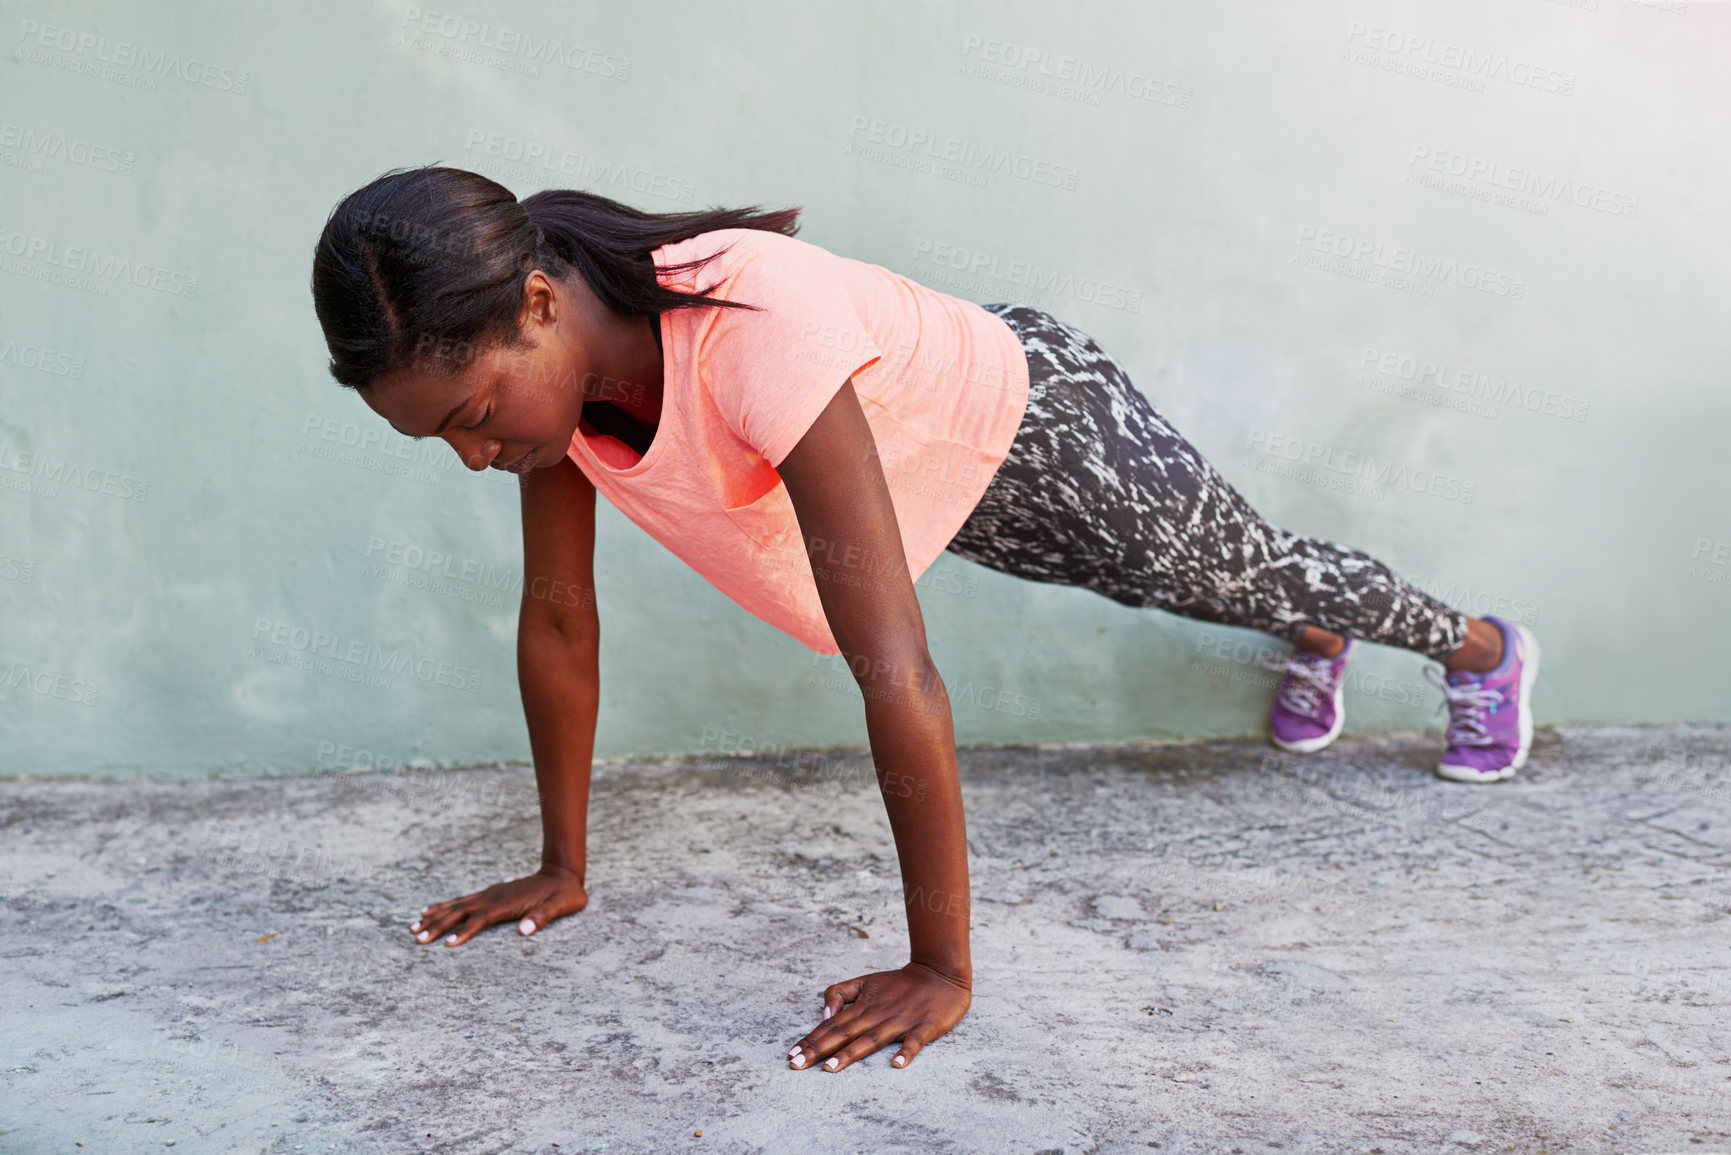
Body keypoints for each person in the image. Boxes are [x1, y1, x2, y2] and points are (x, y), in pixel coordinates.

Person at [309, 165, 1541, 1074]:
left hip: (1041, 433)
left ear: (534, 303)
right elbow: (561, 619)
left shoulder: (752, 330)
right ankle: (1310, 630)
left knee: (1237, 569)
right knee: (1190, 584)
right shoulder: (556, 392)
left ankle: (1480, 650)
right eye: (442, 439)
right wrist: (563, 869)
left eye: (473, 412)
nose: (476, 455)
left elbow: (895, 669)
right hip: (936, 489)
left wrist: (941, 970)